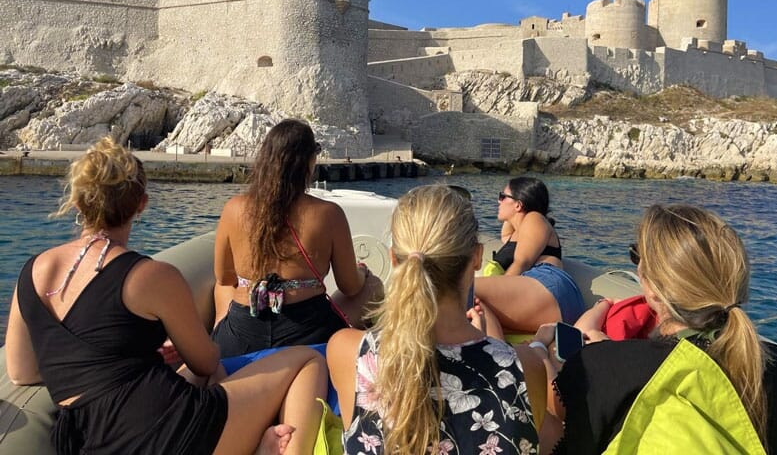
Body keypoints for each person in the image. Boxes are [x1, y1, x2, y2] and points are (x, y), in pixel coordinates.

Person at [4, 137, 327, 455]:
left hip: (84, 437)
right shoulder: (149, 276)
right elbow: (206, 361)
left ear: (77, 202)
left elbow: (21, 372)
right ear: (141, 203)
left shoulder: (32, 271)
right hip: (163, 430)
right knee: (306, 360)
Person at [529, 204, 777, 454]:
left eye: (637, 255)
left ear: (653, 288)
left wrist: (542, 355)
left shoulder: (605, 367)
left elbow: (562, 422)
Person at [326, 185, 546, 455]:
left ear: (394, 259)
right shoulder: (527, 366)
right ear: (477, 257)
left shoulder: (347, 352)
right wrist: (490, 346)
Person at [211, 119, 382, 357]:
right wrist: (362, 272)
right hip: (308, 334)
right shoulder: (328, 214)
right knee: (372, 286)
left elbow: (224, 276)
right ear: (309, 162)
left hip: (243, 334)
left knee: (222, 288)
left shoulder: (234, 208)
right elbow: (350, 287)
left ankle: (220, 336)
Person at [474, 176, 585, 328]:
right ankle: (497, 348)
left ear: (519, 205)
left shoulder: (535, 219)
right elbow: (506, 236)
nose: (498, 201)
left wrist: (502, 290)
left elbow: (522, 263)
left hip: (548, 284)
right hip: (546, 294)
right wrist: (510, 213)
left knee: (461, 290)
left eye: (502, 197)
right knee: (473, 306)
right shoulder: (519, 233)